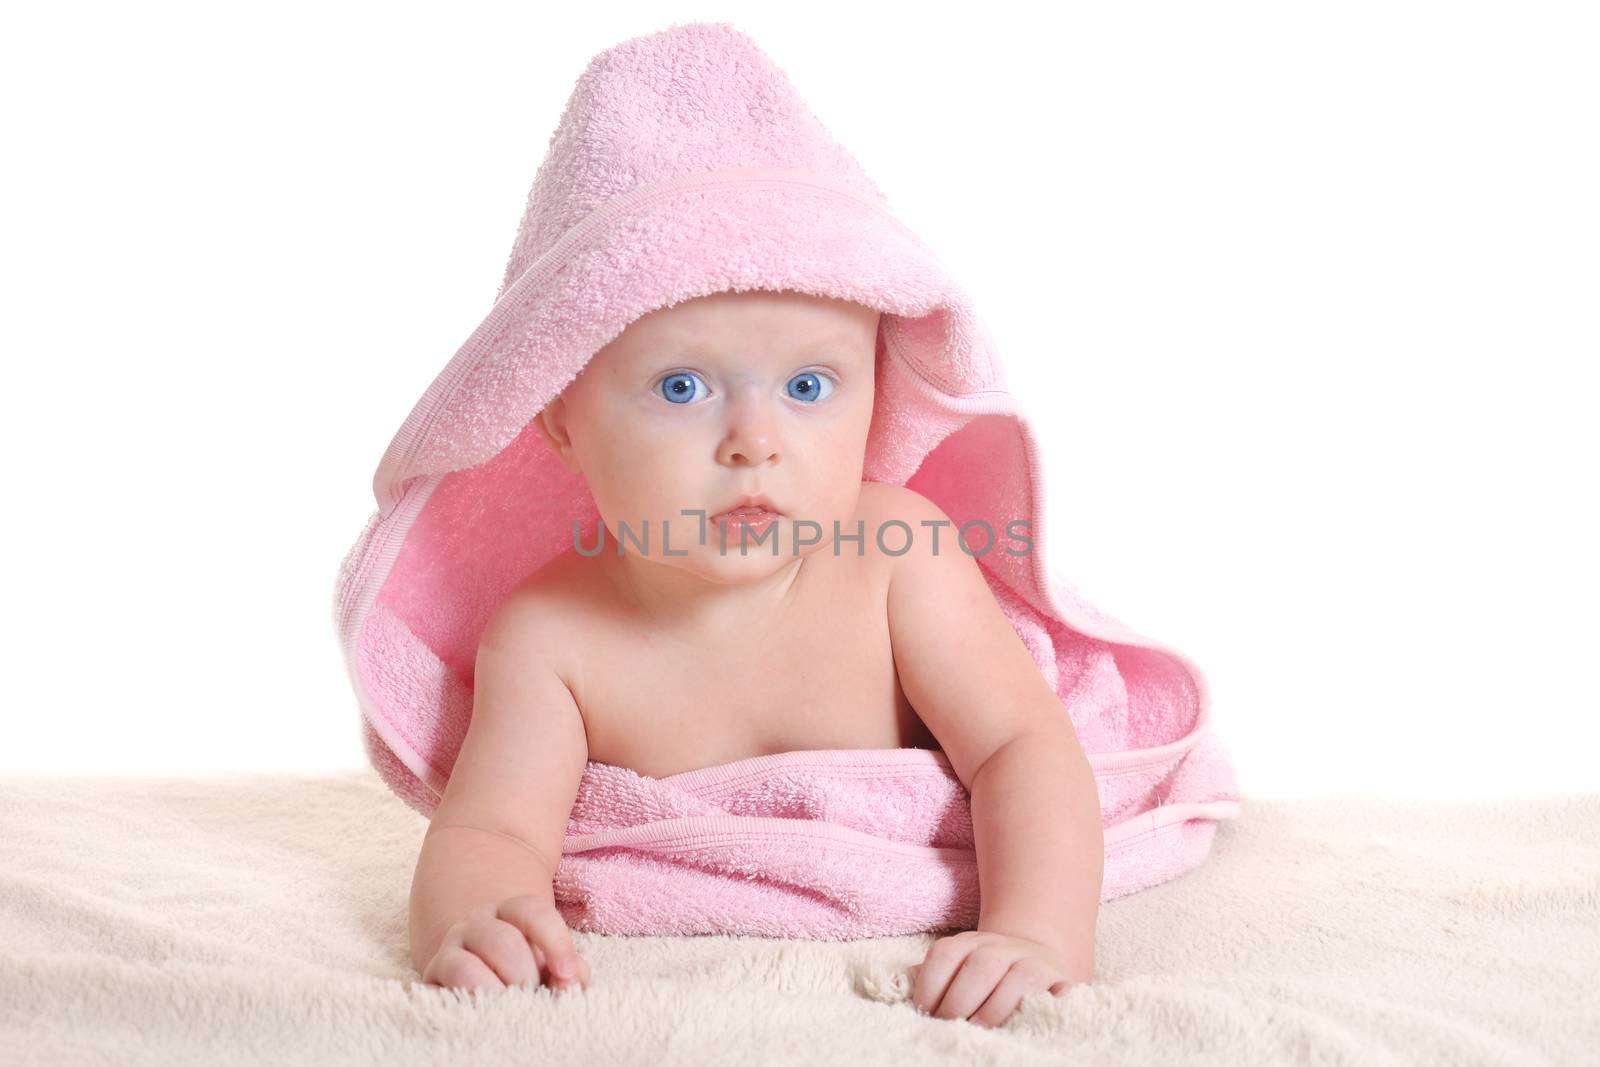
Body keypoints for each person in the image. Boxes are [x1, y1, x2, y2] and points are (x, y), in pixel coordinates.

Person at [408, 286, 1104, 1029]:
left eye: (808, 386)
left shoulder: (900, 560)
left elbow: (1021, 747)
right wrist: (482, 926)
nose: (754, 440)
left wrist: (1034, 932)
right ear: (564, 421)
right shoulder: (548, 636)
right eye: (682, 387)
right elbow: (493, 831)